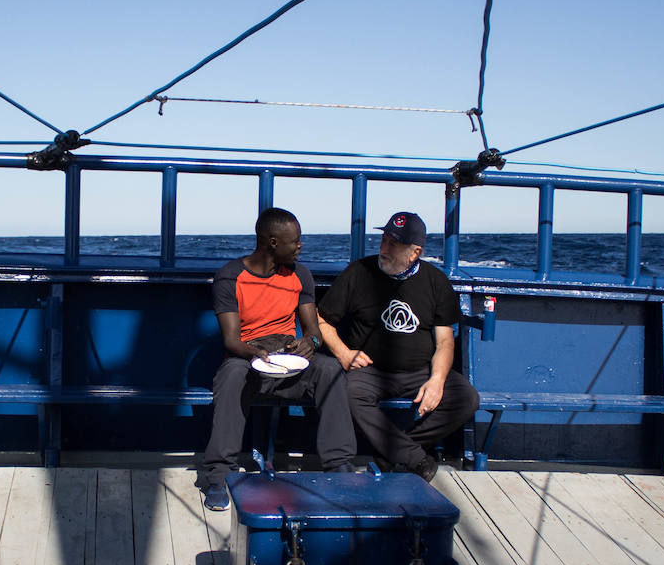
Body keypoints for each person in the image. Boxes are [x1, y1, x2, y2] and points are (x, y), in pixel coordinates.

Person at [199, 207, 357, 511]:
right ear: (273, 242)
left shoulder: (300, 275)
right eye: (295, 241)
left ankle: (339, 465)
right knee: (231, 375)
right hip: (248, 357)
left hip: (288, 355)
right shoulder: (230, 276)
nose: (300, 246)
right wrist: (258, 353)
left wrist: (310, 343)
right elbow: (231, 341)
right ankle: (219, 476)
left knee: (329, 369)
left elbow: (314, 332)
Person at [317, 211, 480, 481]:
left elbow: (445, 341)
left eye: (394, 244)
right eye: (384, 240)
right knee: (346, 393)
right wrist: (343, 353)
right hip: (370, 370)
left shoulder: (436, 281)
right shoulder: (358, 273)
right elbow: (320, 319)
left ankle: (394, 451)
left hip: (420, 371)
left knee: (467, 399)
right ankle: (414, 458)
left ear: (415, 253)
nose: (384, 249)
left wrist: (437, 380)